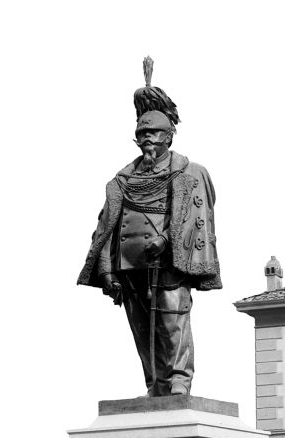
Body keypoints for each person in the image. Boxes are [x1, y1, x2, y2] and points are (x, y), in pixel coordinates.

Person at [78, 63, 221, 397]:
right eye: (141, 135)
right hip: (131, 267)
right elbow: (108, 224)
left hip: (168, 263)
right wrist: (105, 265)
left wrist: (167, 239)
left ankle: (179, 381)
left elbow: (194, 217)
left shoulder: (189, 172)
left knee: (172, 321)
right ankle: (154, 384)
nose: (146, 141)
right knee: (142, 329)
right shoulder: (122, 179)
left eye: (153, 135)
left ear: (168, 137)